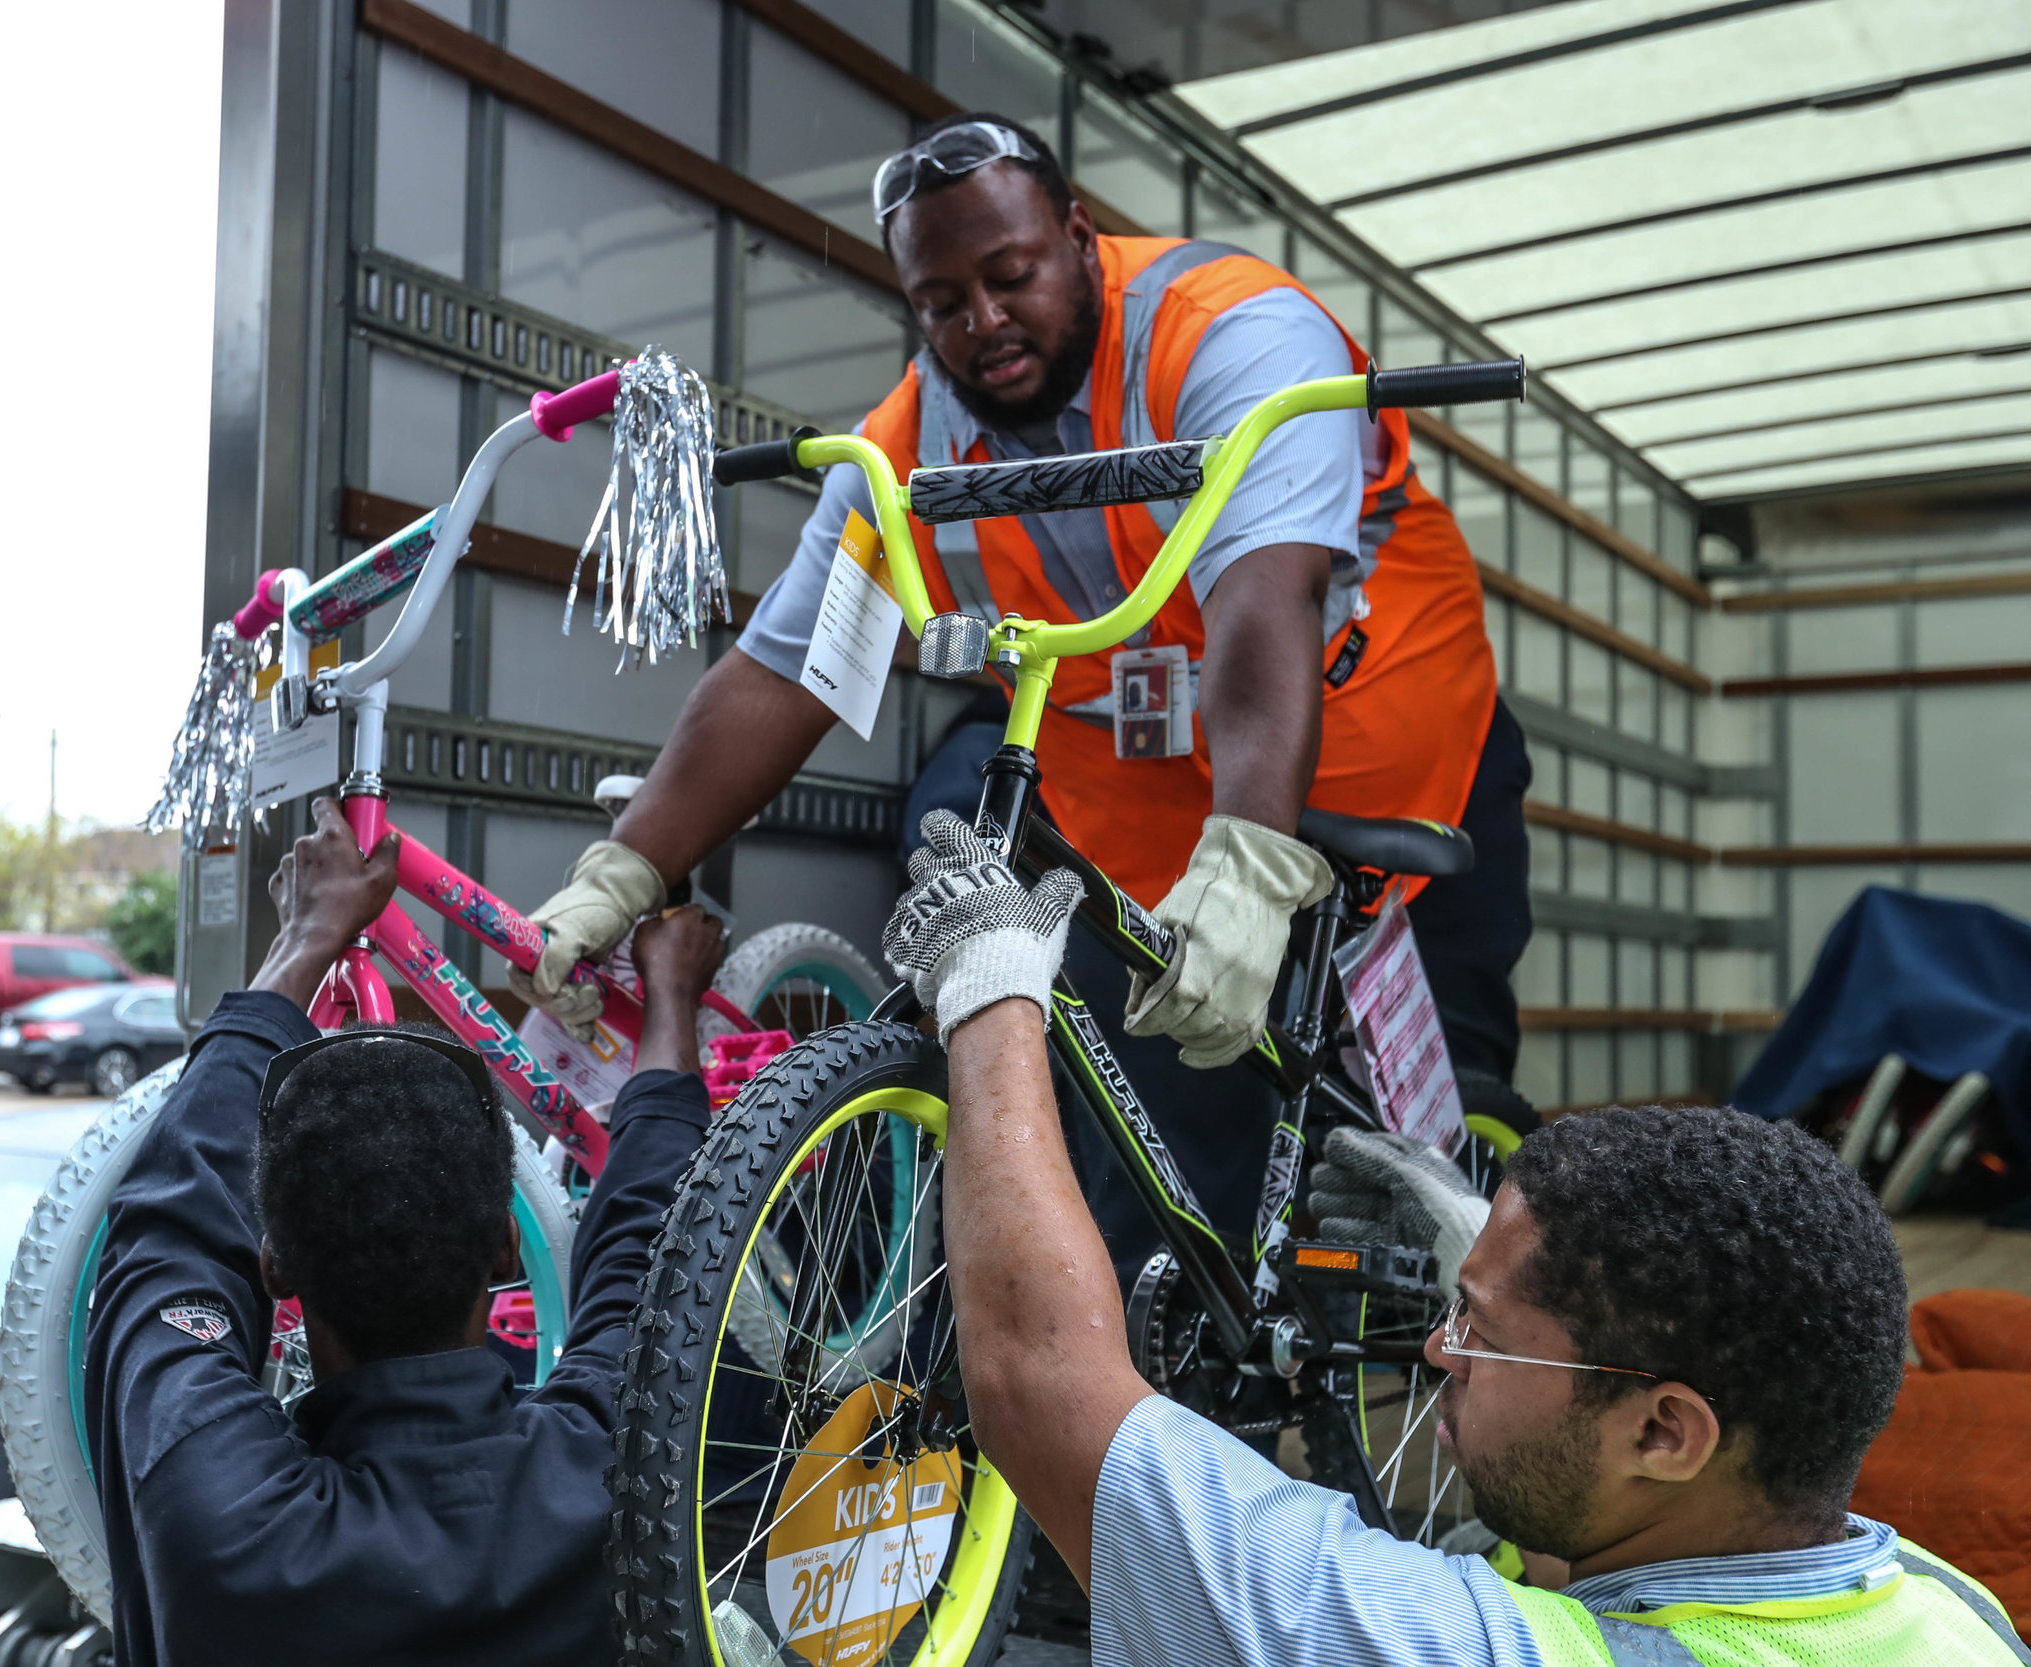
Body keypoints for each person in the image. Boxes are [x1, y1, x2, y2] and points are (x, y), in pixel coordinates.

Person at [510, 110, 1530, 1269]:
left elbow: (1263, 602)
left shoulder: (1235, 334)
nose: (982, 323)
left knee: (1438, 1175)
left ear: (1079, 237)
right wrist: (624, 869)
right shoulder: (910, 443)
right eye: (940, 302)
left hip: (1391, 768)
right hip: (1151, 825)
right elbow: (787, 665)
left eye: (1010, 277)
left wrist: (1249, 855)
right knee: (1148, 1167)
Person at [875, 809, 2029, 1667]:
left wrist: (989, 985)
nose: (1433, 1350)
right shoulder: (1946, 1611)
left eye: (1479, 1329)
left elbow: (1043, 1381)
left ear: (1667, 1429)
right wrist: (1505, 1276)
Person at [83, 795, 729, 1666]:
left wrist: (305, 938)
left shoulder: (219, 1511)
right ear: (508, 1249)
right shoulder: (610, 1461)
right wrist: (670, 1002)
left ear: (274, 1265)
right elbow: (650, 1240)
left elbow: (173, 1222)